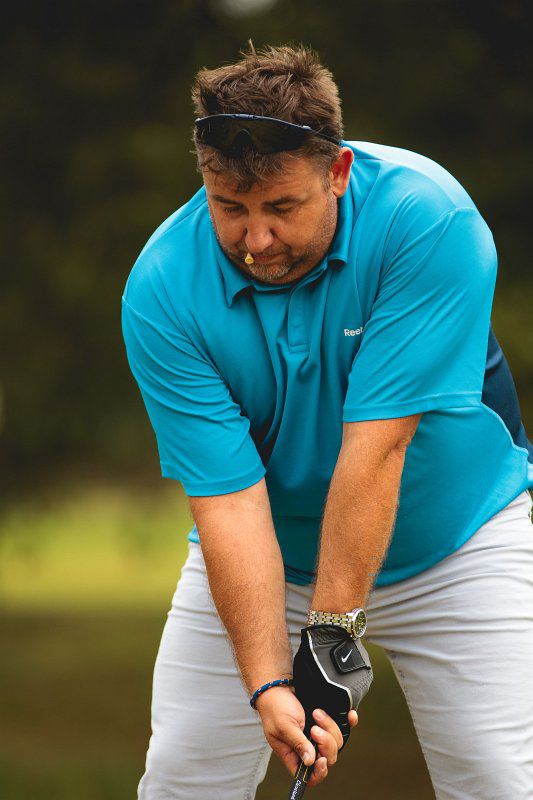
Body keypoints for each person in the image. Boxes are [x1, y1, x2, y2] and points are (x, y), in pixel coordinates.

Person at [121, 44, 533, 799]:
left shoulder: (425, 219)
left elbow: (377, 448)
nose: (255, 240)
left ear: (337, 172)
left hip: (457, 543)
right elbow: (227, 500)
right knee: (184, 775)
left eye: (281, 207)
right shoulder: (163, 287)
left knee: (497, 778)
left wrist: (331, 637)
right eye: (229, 207)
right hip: (271, 555)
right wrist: (266, 682)